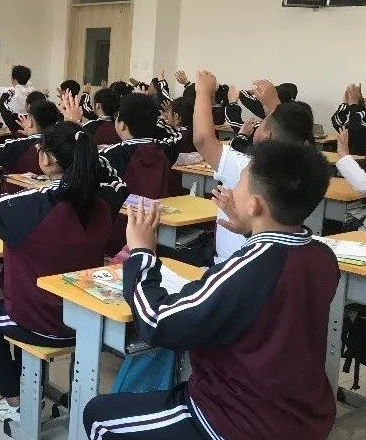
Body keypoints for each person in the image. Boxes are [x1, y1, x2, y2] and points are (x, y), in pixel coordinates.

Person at [84, 141, 337, 440]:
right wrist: (251, 228)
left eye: (240, 182)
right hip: (301, 415)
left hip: (239, 420)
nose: (231, 189)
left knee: (99, 416)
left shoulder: (251, 269)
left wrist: (141, 253)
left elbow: (156, 321)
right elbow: (270, 283)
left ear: (255, 205)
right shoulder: (322, 256)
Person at [0, 118, 127, 423]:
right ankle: (28, 386)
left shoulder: (32, 206)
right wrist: (87, 151)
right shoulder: (103, 204)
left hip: (38, 319)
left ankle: (14, 400)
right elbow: (118, 183)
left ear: (47, 159)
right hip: (84, 321)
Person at [193, 71, 315, 263]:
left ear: (267, 135)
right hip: (277, 260)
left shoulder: (247, 166)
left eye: (262, 124)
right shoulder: (301, 171)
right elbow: (287, 128)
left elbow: (202, 139)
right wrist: (274, 102)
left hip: (233, 261)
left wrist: (203, 92)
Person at [332, 83, 366, 156]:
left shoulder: (358, 116)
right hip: (353, 158)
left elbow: (356, 129)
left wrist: (353, 104)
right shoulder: (361, 113)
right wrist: (346, 104)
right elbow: (339, 124)